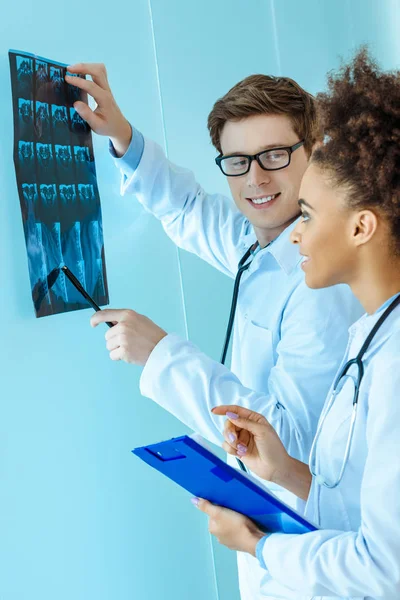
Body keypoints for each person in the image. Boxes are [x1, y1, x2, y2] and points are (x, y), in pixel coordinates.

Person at [65, 66, 361, 599]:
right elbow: (190, 211)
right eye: (237, 161)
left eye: (275, 155)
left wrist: (161, 355)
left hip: (312, 554)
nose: (256, 180)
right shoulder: (266, 246)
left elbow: (288, 441)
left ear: (313, 150)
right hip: (270, 540)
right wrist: (122, 138)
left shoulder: (321, 283)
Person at [192, 48, 400, 599]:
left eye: (306, 216)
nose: (296, 236)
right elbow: (356, 506)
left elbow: (385, 567)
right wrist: (285, 471)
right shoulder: (371, 340)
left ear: (360, 227)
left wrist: (259, 546)